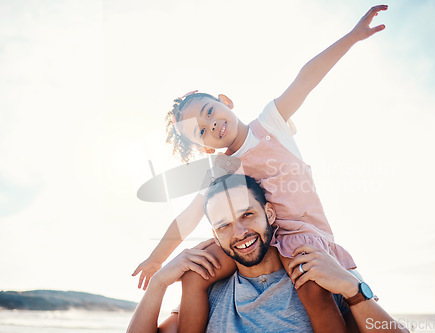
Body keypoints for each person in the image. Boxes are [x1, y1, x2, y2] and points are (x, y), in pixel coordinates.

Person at [132, 5, 389, 332]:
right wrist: (156, 259)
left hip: (301, 235)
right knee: (196, 272)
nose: (212, 124)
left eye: (210, 111)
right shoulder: (221, 167)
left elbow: (305, 79)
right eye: (201, 130)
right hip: (256, 236)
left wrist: (351, 38)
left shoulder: (270, 124)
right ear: (205, 146)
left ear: (227, 100)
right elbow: (191, 214)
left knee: (313, 291)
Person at [127, 174, 408, 333]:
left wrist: (352, 288)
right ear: (214, 235)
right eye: (224, 225)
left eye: (247, 215)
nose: (238, 233)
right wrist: (158, 283)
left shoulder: (319, 274)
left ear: (269, 214)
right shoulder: (211, 294)